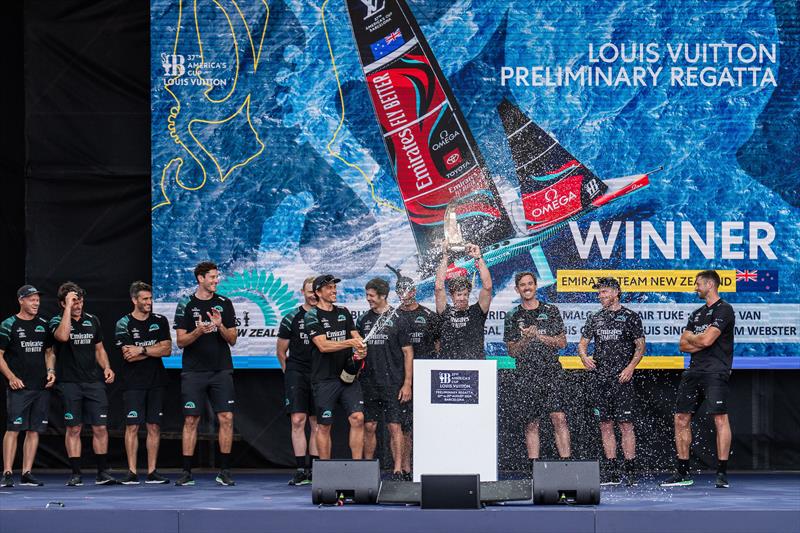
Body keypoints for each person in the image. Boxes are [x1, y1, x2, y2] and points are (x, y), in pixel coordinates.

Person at [662, 270, 736, 489]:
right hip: (693, 372)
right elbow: (682, 345)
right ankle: (682, 472)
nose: (695, 288)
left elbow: (706, 340)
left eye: (698, 284)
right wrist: (696, 340)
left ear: (710, 285)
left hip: (716, 373)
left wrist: (695, 339)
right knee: (680, 419)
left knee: (720, 419)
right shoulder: (696, 314)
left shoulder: (725, 309)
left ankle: (721, 472)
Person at [173, 261, 238, 486]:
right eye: (212, 277)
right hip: (194, 371)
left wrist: (219, 326)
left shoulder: (224, 303)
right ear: (200, 278)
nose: (216, 280)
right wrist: (199, 331)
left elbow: (233, 339)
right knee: (191, 419)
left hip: (221, 369)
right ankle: (187, 472)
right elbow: (181, 341)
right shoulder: (185, 304)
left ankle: (225, 471)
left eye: (216, 277)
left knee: (226, 418)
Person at [578, 277, 645, 486]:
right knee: (605, 424)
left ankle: (631, 471)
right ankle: (612, 471)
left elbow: (640, 346)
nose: (601, 296)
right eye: (599, 293)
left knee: (626, 424)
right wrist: (584, 356)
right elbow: (582, 344)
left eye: (604, 292)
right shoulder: (595, 318)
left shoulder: (631, 317)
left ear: (616, 292)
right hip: (600, 379)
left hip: (622, 378)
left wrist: (630, 367)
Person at [50, 282, 117, 486]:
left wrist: (106, 367)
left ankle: (102, 472)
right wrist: (68, 310)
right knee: (74, 428)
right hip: (69, 383)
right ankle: (76, 473)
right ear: (63, 303)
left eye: (79, 301)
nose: (78, 305)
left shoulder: (92, 320)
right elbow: (62, 337)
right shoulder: (56, 320)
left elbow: (99, 349)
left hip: (93, 382)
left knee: (100, 427)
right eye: (73, 301)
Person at [504, 272, 570, 465]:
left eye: (530, 284)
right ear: (517, 289)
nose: (527, 288)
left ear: (536, 286)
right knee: (531, 422)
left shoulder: (551, 310)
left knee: (559, 418)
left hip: (551, 372)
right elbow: (512, 352)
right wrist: (525, 339)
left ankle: (566, 465)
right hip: (526, 374)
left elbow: (562, 343)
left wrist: (538, 337)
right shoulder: (512, 315)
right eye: (522, 285)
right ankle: (534, 469)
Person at [114, 281, 172, 485]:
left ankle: (152, 471)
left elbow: (167, 350)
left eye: (150, 298)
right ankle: (131, 471)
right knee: (132, 426)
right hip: (132, 383)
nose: (149, 302)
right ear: (134, 300)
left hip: (156, 381)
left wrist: (142, 350)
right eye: (145, 299)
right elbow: (128, 356)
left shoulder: (160, 320)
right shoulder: (123, 323)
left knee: (154, 426)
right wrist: (151, 350)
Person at [304, 274, 366, 460]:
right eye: (329, 288)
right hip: (324, 379)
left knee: (358, 418)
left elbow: (357, 338)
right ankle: (326, 470)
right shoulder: (312, 315)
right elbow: (323, 346)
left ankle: (358, 466)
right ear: (318, 292)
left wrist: (361, 350)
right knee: (324, 425)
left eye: (334, 287)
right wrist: (351, 342)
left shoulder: (343, 312)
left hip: (347, 377)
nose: (334, 291)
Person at [357, 278, 413, 480]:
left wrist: (407, 383)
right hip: (369, 382)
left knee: (394, 426)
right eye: (367, 295)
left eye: (371, 295)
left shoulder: (398, 318)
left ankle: (397, 469)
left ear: (383, 296)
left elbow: (408, 352)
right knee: (369, 426)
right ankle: (367, 469)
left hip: (393, 382)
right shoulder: (363, 320)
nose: (368, 299)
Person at [0, 286, 55, 487]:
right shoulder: (9, 324)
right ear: (21, 300)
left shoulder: (43, 324)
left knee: (34, 430)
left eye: (37, 300)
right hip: (19, 387)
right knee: (13, 429)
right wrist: (11, 377)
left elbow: (49, 351)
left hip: (40, 386)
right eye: (31, 300)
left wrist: (51, 371)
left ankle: (26, 472)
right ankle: (7, 472)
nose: (36, 303)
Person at [390, 266, 439, 477]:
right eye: (400, 291)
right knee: (403, 426)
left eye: (408, 290)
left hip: (426, 378)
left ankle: (427, 464)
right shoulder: (391, 316)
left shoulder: (428, 315)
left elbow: (439, 346)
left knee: (425, 425)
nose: (405, 294)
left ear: (415, 291)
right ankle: (405, 468)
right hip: (401, 380)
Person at [276, 276, 319, 486]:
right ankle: (301, 469)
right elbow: (281, 351)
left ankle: (317, 470)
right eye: (309, 291)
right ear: (303, 292)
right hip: (297, 373)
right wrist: (290, 373)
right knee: (297, 420)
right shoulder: (291, 317)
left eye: (315, 291)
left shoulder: (329, 315)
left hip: (321, 375)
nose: (312, 295)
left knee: (317, 422)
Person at [435, 243, 492, 359]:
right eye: (458, 294)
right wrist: (446, 256)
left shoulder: (477, 311)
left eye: (465, 294)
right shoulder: (445, 312)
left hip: (475, 368)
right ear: (451, 296)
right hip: (449, 368)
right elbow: (439, 287)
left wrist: (478, 258)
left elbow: (488, 287)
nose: (462, 298)